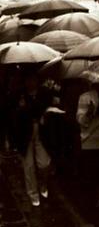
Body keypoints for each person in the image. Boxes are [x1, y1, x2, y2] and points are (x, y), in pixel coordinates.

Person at [9, 75, 50, 207]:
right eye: (28, 79)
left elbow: (46, 108)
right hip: (24, 133)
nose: (31, 82)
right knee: (29, 165)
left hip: (40, 130)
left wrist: (44, 114)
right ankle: (33, 193)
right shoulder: (19, 94)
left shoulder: (43, 93)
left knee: (44, 163)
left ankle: (43, 184)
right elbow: (13, 117)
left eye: (33, 79)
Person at [76, 83, 99, 207]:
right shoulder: (86, 97)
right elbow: (81, 120)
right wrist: (89, 113)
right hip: (89, 141)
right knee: (90, 172)